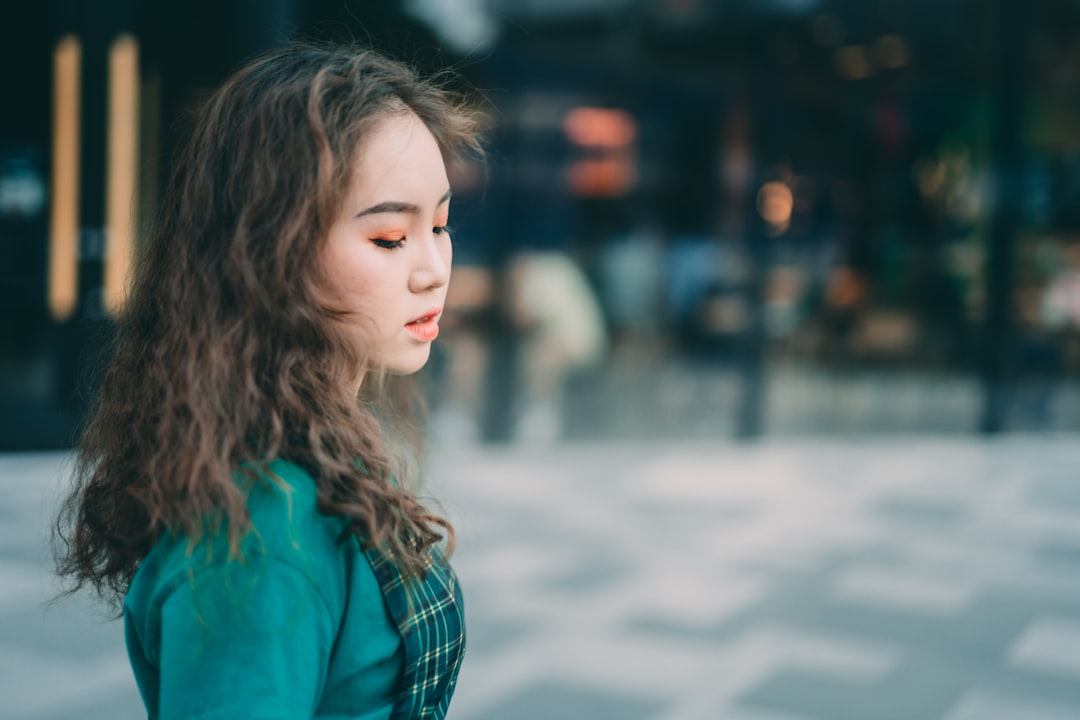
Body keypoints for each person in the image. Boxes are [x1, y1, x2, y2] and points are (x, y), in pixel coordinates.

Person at [54, 42, 484, 719]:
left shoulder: (304, 446)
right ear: (269, 250)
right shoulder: (261, 531)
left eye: (440, 224)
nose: (433, 267)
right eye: (390, 238)